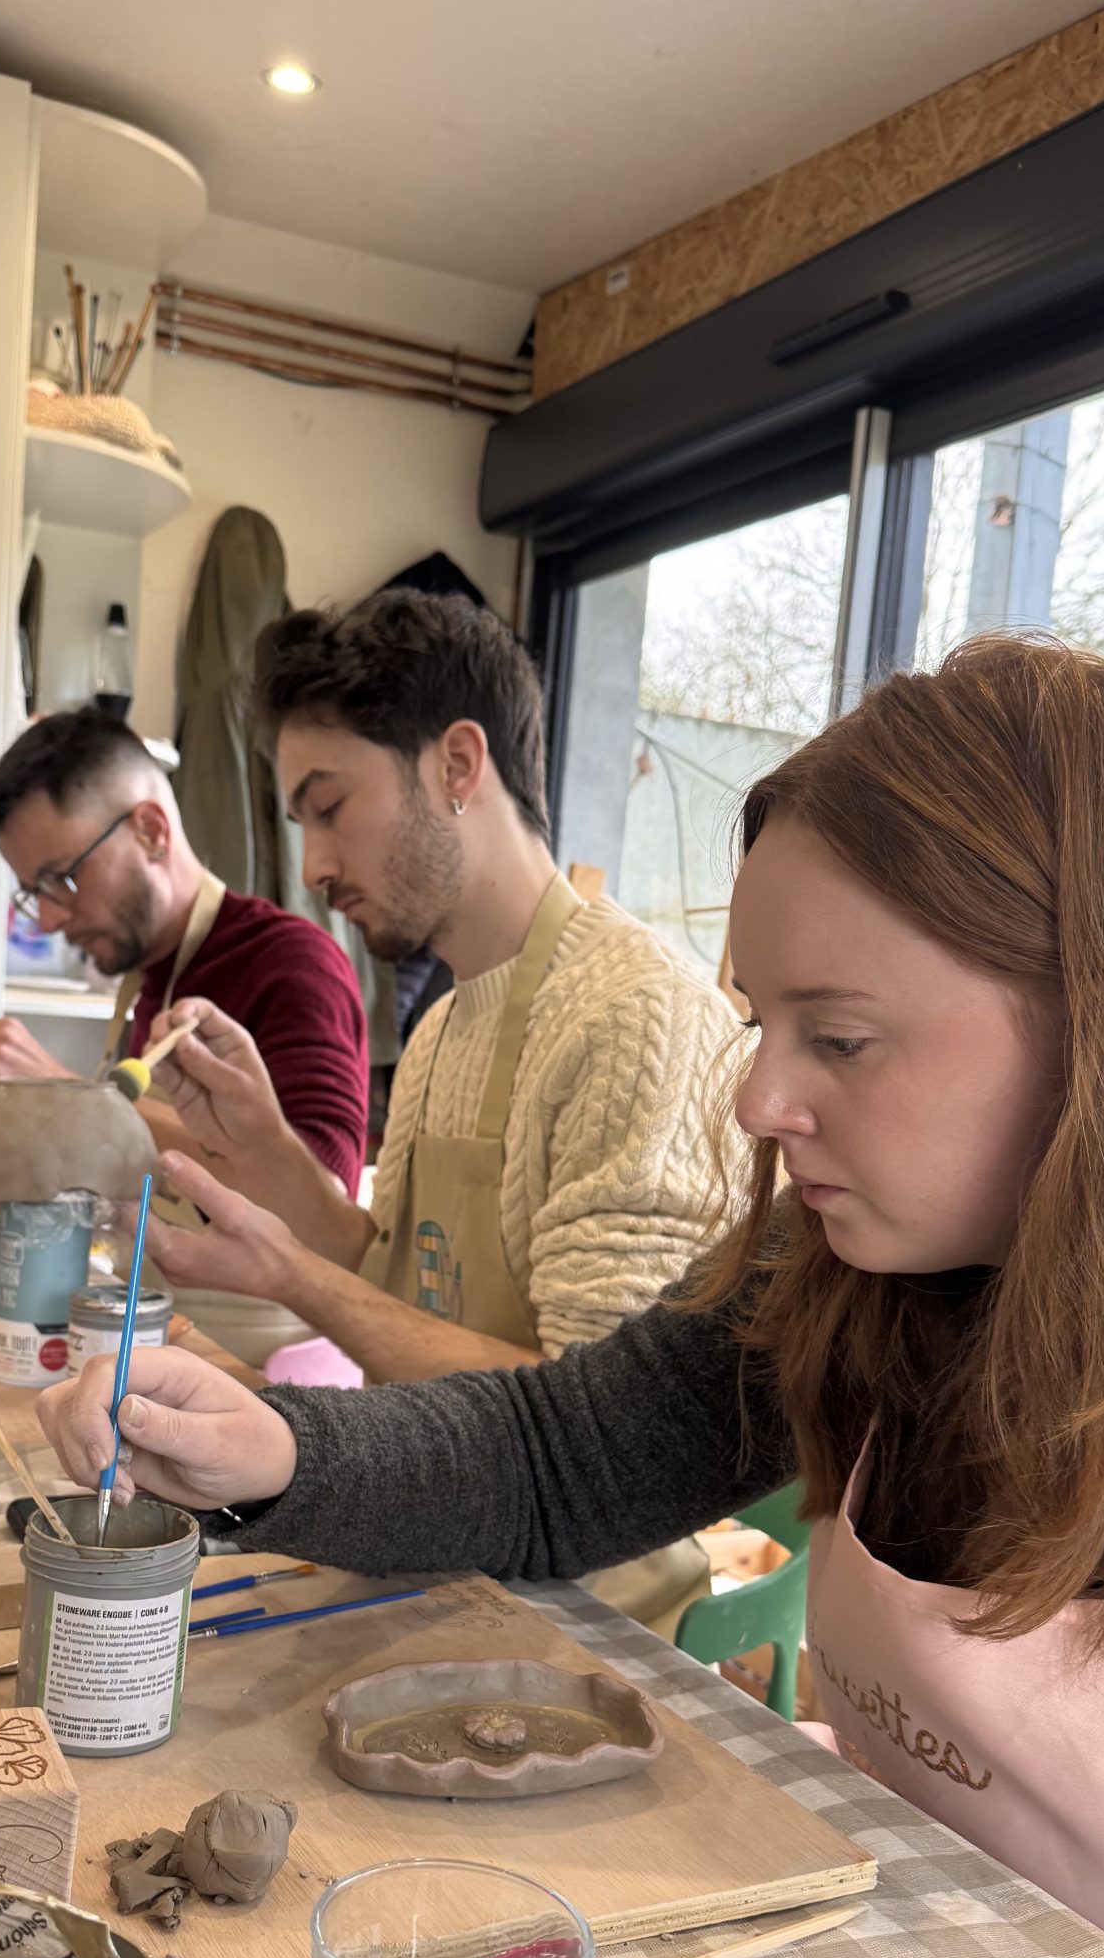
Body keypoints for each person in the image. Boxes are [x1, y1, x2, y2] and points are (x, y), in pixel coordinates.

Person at [41, 637, 1104, 1958]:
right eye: (765, 1025)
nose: (761, 1100)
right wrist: (276, 1452)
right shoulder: (843, 1268)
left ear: (1103, 1018)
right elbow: (561, 1459)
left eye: (840, 1038)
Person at [123, 590, 741, 1393]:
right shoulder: (441, 1029)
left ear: (457, 766)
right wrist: (262, 1142)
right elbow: (393, 1285)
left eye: (330, 808)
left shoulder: (637, 1022)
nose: (313, 868)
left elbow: (601, 1418)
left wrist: (292, 1275)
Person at [0, 706, 370, 1361]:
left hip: (259, 1365)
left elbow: (322, 1215)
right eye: (33, 893)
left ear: (151, 831)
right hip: (164, 1332)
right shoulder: (149, 977)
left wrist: (66, 1093)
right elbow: (135, 1167)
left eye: (61, 880)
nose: (48, 920)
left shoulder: (291, 964)